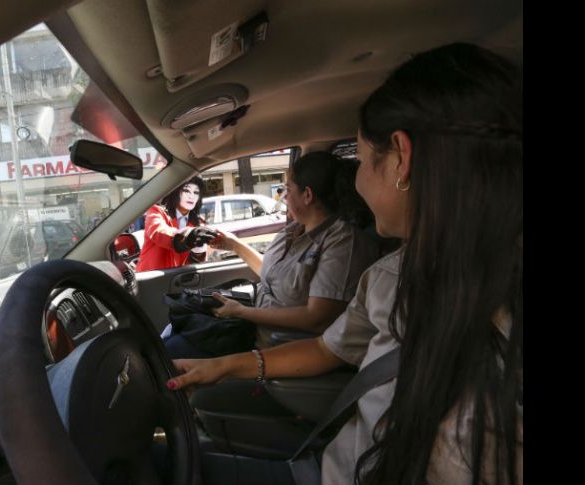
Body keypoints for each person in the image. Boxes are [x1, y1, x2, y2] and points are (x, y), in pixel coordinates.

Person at [167, 43, 522, 485]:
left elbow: (318, 324)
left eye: (358, 158)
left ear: (402, 159)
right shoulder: (391, 275)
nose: (355, 180)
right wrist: (225, 365)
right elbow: (326, 347)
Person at [163, 151, 380, 358]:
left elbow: (316, 318)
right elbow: (274, 277)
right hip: (253, 326)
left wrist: (241, 312)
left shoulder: (342, 243)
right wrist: (234, 245)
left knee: (173, 350)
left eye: (288, 189)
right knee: (175, 327)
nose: (284, 196)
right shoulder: (293, 231)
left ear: (307, 195)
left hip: (277, 345)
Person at [135, 176, 218, 272]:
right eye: (186, 191)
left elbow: (194, 264)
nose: (191, 196)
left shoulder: (197, 224)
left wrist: (199, 253)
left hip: (176, 280)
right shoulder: (157, 211)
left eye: (196, 192)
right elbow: (158, 232)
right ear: (176, 192)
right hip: (150, 277)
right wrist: (188, 235)